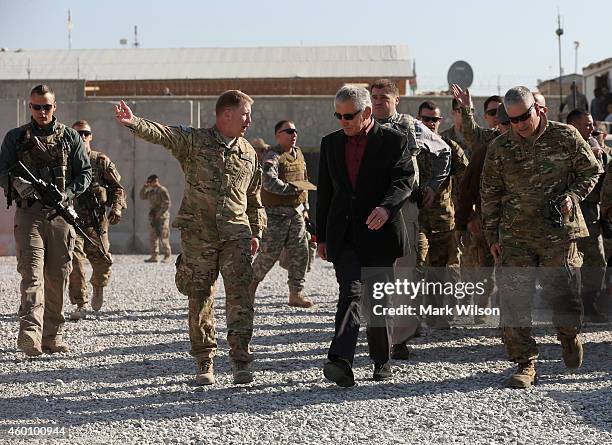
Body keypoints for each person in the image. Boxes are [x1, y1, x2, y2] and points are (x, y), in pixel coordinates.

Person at [116, 90, 265, 386]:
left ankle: (240, 362)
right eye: (245, 113)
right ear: (227, 114)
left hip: (236, 234)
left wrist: (256, 230)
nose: (249, 120)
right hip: (200, 234)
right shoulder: (195, 141)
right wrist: (133, 121)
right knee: (200, 296)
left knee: (240, 297)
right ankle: (204, 361)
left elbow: (254, 197)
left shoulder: (248, 152)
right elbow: (164, 134)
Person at [481, 86, 601, 388]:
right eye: (513, 119)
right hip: (514, 235)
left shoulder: (566, 136)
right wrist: (491, 234)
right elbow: (490, 193)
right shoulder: (500, 148)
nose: (519, 124)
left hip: (558, 234)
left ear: (539, 109)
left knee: (562, 295)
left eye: (524, 117)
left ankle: (569, 335)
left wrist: (573, 195)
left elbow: (591, 171)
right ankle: (525, 363)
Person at [317, 85, 416, 387]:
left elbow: (404, 180)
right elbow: (325, 193)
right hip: (344, 234)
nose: (343, 121)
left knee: (377, 299)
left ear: (367, 113)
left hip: (380, 233)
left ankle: (381, 360)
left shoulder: (395, 141)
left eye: (349, 116)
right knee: (350, 292)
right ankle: (341, 360)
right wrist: (321, 237)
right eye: (338, 115)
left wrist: (386, 208)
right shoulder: (330, 144)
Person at [0, 84, 92, 356]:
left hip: (60, 216)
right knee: (31, 274)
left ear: (55, 107)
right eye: (37, 107)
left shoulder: (70, 138)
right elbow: (1, 170)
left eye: (47, 107)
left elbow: (84, 173)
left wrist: (66, 194)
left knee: (57, 276)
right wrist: (16, 183)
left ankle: (52, 336)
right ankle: (30, 332)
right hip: (30, 214)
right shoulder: (15, 138)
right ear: (30, 107)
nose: (42, 112)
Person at [370, 78, 450, 360]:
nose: (378, 101)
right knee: (373, 273)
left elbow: (444, 151)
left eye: (383, 97)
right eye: (374, 96)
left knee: (405, 274)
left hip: (404, 207)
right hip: (371, 207)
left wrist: (432, 186)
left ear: (396, 100)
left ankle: (400, 338)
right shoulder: (362, 123)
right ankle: (377, 335)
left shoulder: (411, 125)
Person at [451, 84, 509, 326]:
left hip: (518, 222)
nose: (503, 124)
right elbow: (467, 188)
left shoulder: (534, 145)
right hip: (486, 220)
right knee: (483, 269)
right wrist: (464, 220)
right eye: (497, 117)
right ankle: (481, 309)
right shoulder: (488, 144)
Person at [414, 101, 468, 329]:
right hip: (416, 218)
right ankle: (412, 319)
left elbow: (467, 178)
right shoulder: (410, 147)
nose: (430, 124)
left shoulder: (449, 147)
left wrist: (468, 212)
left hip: (444, 220)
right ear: (418, 120)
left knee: (441, 270)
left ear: (440, 121)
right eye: (426, 119)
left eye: (434, 120)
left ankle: (438, 315)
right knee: (417, 264)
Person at [250, 120, 313, 308]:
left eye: (295, 131)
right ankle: (248, 290)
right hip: (276, 215)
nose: (293, 134)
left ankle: (296, 293)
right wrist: (291, 190)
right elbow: (269, 182)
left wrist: (306, 208)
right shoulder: (273, 155)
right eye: (288, 131)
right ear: (278, 135)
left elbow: (304, 181)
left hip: (296, 214)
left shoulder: (299, 154)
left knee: (301, 253)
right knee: (268, 255)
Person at [68, 120, 126, 320]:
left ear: (90, 136)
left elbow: (117, 188)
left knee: (103, 261)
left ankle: (98, 286)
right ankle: (80, 303)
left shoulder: (100, 161)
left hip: (96, 221)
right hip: (72, 221)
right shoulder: (65, 163)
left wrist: (117, 208)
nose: (82, 136)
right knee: (74, 261)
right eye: (78, 133)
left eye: (86, 133)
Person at [566, 109, 609, 322]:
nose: (591, 128)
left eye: (591, 124)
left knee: (596, 261)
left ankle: (590, 305)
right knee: (571, 263)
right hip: (570, 215)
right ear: (573, 126)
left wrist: (600, 153)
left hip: (592, 216)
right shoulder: (564, 148)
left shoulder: (595, 146)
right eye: (586, 124)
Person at [139, 174, 172, 263]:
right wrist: (144, 187)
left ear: (155, 181)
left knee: (163, 236)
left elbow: (167, 203)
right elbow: (142, 196)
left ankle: (167, 256)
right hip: (153, 216)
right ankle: (154, 256)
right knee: (153, 236)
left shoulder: (162, 190)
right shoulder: (151, 191)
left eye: (150, 182)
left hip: (162, 217)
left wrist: (160, 213)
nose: (149, 184)